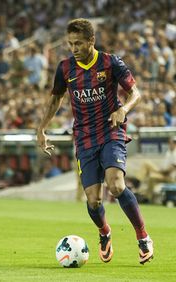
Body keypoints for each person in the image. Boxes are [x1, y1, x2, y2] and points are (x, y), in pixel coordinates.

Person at [37, 18, 153, 264]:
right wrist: (42, 128)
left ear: (91, 40)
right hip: (84, 136)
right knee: (93, 200)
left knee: (117, 185)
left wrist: (125, 109)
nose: (74, 48)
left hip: (111, 130)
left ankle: (143, 237)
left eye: (78, 43)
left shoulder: (110, 62)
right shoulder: (65, 68)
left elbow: (136, 93)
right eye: (70, 44)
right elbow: (56, 98)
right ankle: (104, 232)